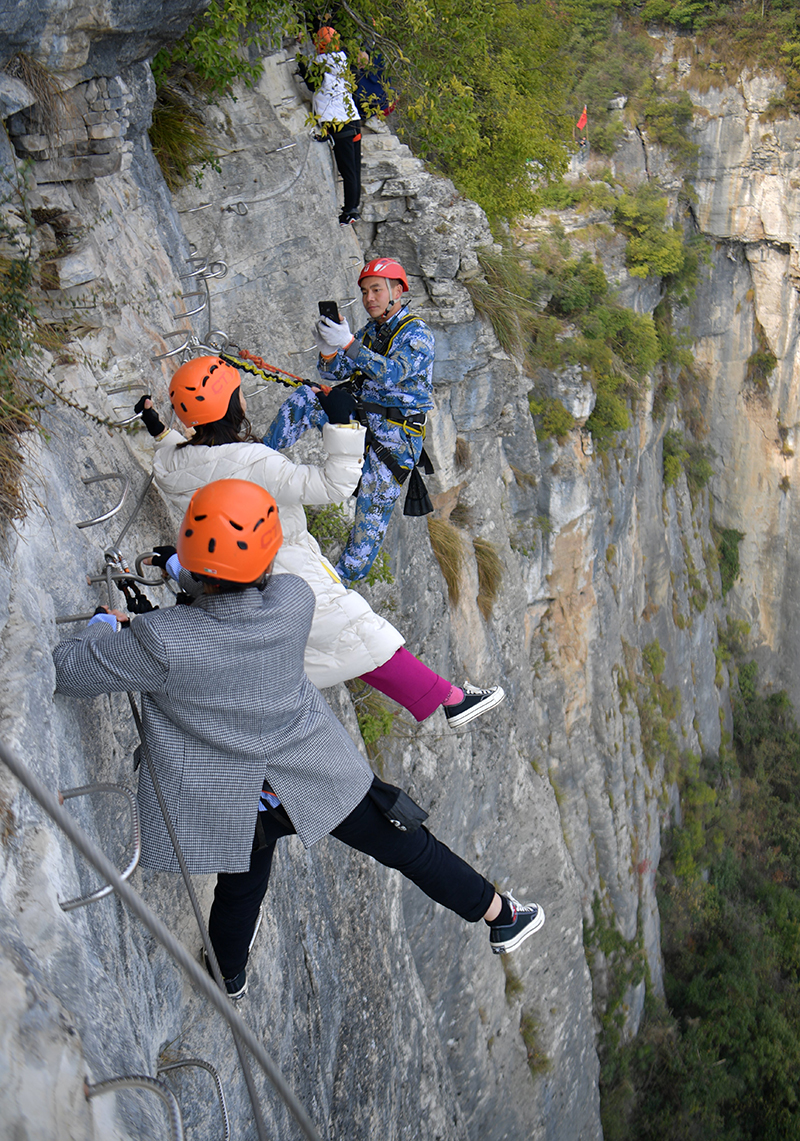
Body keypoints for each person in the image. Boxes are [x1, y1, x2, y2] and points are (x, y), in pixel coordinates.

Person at [53, 479, 545, 997]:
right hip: (317, 774)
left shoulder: (161, 643)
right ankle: (499, 913)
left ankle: (228, 974)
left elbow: (69, 670)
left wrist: (108, 626)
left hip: (238, 800)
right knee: (410, 848)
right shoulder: (292, 601)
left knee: (242, 885)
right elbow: (231, 608)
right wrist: (182, 570)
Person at [137, 355, 504, 730]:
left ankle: (447, 697)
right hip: (284, 566)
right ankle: (450, 700)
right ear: (233, 403)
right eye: (239, 392)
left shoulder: (173, 467)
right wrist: (343, 424)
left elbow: (182, 454)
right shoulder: (255, 462)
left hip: (234, 575)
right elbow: (333, 485)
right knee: (359, 633)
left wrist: (158, 429)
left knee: (345, 641)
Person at [264, 257, 434, 584]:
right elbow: (337, 372)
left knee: (367, 525)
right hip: (363, 420)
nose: (370, 298)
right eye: (365, 291)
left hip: (395, 441)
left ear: (397, 291)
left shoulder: (417, 334)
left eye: (377, 290)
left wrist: (348, 344)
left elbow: (392, 372)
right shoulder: (371, 331)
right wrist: (330, 350)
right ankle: (256, 459)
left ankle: (338, 586)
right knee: (308, 398)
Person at [298, 26, 362, 225]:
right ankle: (352, 208)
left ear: (320, 45)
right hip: (353, 119)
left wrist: (300, 64)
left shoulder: (320, 64)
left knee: (347, 170)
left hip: (338, 123)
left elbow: (311, 84)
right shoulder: (344, 61)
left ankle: (350, 210)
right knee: (354, 169)